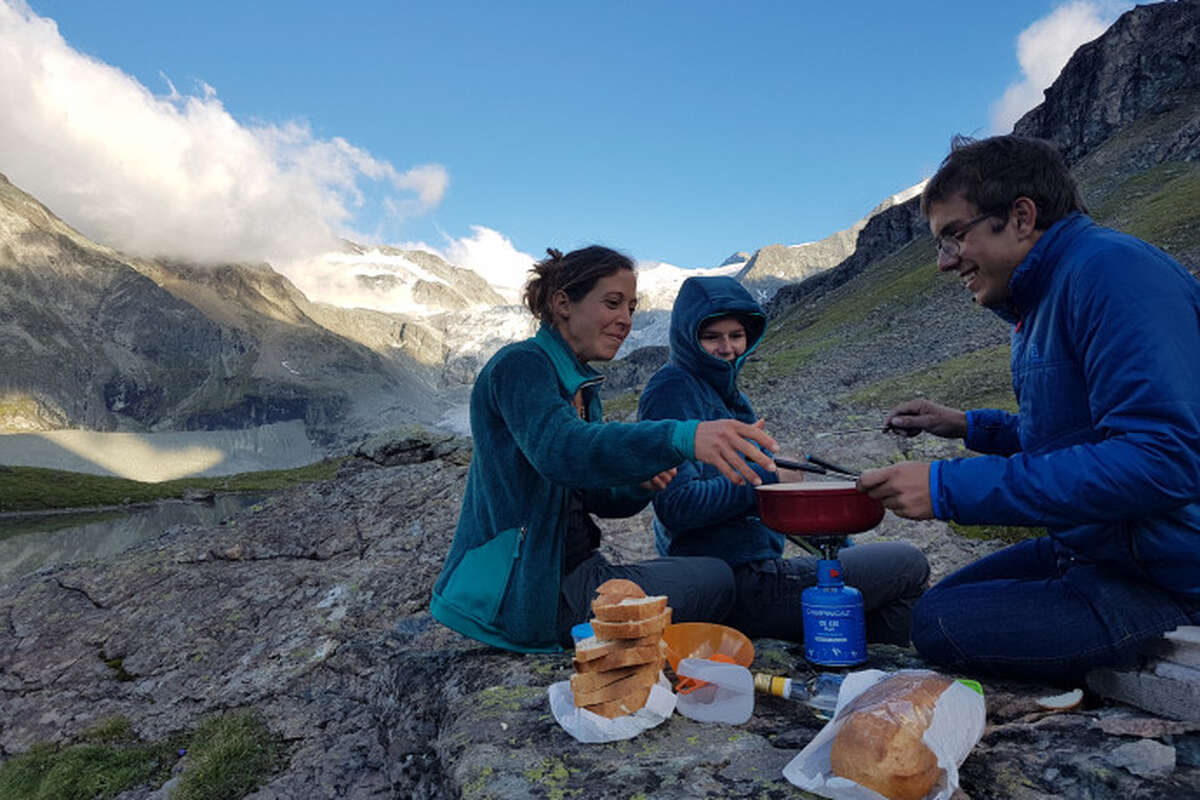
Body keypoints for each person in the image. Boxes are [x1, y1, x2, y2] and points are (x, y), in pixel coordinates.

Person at [858, 134, 1200, 684]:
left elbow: (1163, 458)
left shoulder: (1114, 275)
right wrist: (966, 425)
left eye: (954, 237)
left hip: (1169, 573)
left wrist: (947, 488)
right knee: (944, 606)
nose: (945, 263)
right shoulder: (1041, 298)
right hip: (1101, 550)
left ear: (1021, 216)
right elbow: (1075, 437)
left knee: (940, 625)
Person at [430, 245, 783, 652]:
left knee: (709, 573)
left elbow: (593, 494)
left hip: (577, 571)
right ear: (563, 302)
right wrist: (682, 436)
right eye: (613, 303)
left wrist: (640, 483)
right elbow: (562, 451)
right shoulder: (521, 365)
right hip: (532, 591)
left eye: (631, 308)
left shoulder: (580, 386)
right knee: (718, 582)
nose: (626, 321)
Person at [638, 275, 929, 644]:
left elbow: (750, 493)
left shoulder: (727, 396)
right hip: (735, 582)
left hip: (753, 572)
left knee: (890, 606)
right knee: (907, 564)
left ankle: (877, 681)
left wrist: (833, 545)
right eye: (711, 336)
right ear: (686, 337)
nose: (727, 348)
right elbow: (677, 506)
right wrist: (769, 478)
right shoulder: (673, 388)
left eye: (736, 335)